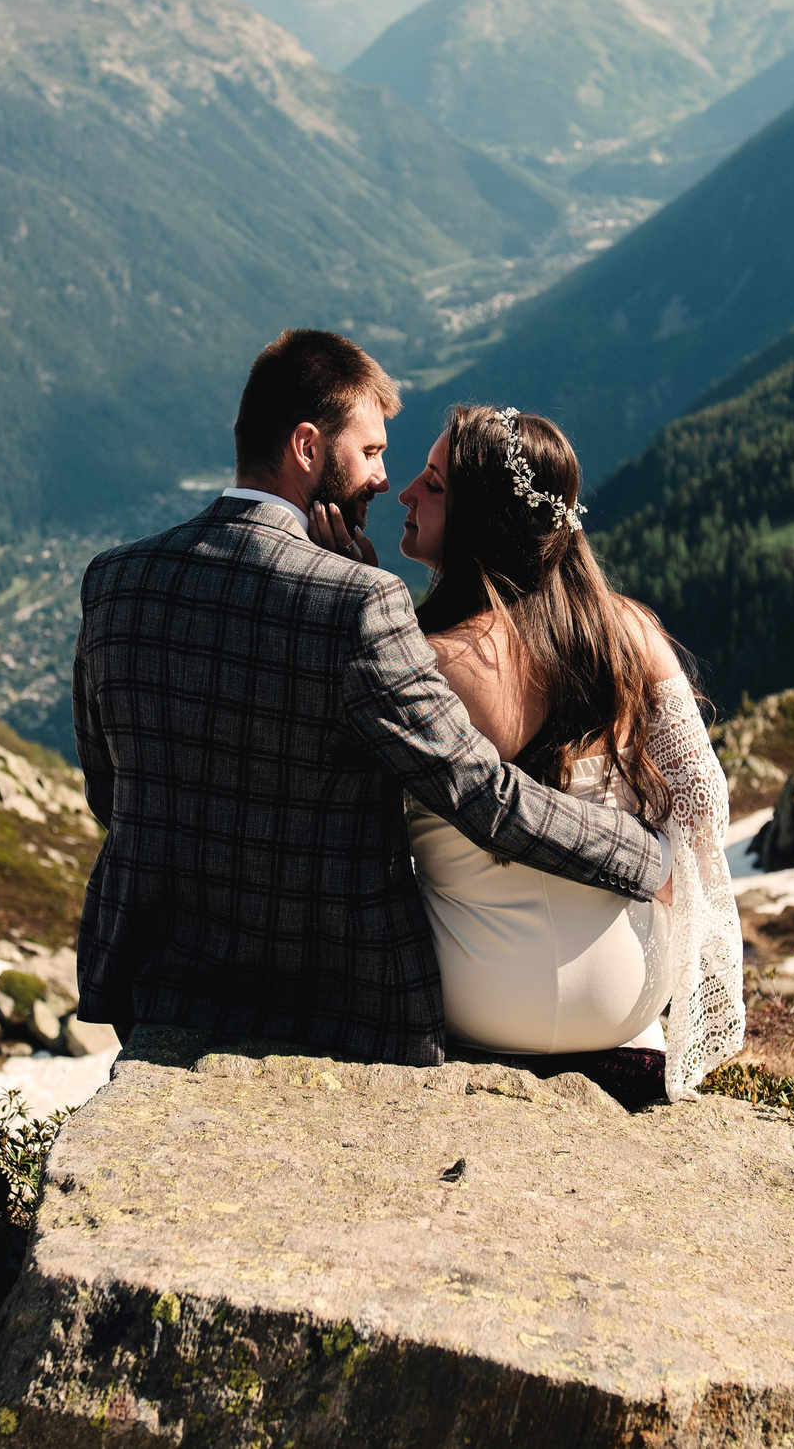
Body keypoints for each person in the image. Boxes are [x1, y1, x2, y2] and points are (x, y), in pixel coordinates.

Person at [70, 330, 669, 1067]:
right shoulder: (360, 603)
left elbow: (111, 788)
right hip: (333, 1007)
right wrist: (644, 856)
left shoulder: (113, 581)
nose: (385, 481)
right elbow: (480, 794)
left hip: (158, 987)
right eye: (372, 452)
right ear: (306, 447)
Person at [321, 404, 743, 1098]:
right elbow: (705, 809)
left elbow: (356, 831)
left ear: (480, 520)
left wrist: (357, 602)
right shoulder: (629, 634)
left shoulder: (421, 659)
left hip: (481, 997)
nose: (405, 493)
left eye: (433, 482)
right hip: (628, 995)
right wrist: (653, 865)